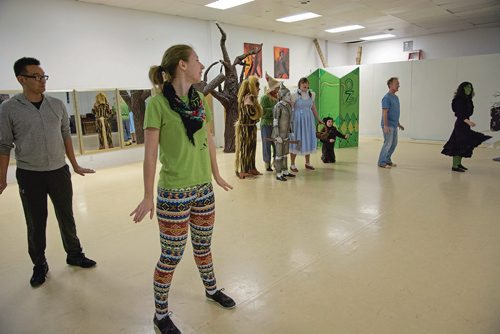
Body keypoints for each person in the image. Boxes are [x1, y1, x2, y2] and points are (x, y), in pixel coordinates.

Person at [130, 45, 235, 334]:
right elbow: (150, 154)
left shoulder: (200, 99)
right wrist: (148, 195)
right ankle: (160, 315)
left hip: (203, 190)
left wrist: (215, 174)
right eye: (197, 60)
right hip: (174, 193)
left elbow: (209, 140)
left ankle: (211, 290)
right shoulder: (157, 105)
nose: (201, 65)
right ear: (182, 65)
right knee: (172, 255)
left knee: (203, 247)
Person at [0, 57, 96, 288]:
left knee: (67, 216)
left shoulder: (56, 105)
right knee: (35, 222)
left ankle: (74, 253)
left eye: (44, 76)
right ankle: (39, 264)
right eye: (36, 76)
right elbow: (4, 145)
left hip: (58, 172)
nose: (42, 80)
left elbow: (65, 135)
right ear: (21, 79)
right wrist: (2, 179)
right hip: (30, 174)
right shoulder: (9, 109)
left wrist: (74, 164)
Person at [441, 82, 492, 172]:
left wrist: (468, 122)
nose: (469, 90)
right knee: (458, 145)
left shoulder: (467, 99)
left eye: (470, 88)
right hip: (461, 124)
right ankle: (455, 166)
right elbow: (459, 113)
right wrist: (468, 122)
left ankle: (458, 164)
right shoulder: (459, 99)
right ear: (462, 89)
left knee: (462, 145)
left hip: (465, 125)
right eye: (466, 88)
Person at [289, 77, 323, 172]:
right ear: (299, 85)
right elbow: (290, 109)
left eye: (306, 83)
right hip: (298, 121)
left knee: (308, 139)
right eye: (303, 83)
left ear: (308, 85)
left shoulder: (311, 95)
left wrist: (319, 119)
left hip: (308, 121)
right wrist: (290, 122)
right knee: (297, 140)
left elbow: (314, 109)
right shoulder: (294, 96)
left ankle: (307, 163)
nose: (305, 85)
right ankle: (292, 164)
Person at [235, 75, 263, 179]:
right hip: (245, 128)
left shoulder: (250, 97)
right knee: (246, 149)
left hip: (251, 128)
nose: (259, 89)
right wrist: (256, 108)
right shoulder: (248, 97)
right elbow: (251, 113)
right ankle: (243, 170)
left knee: (252, 148)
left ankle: (251, 168)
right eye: (257, 86)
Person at [378, 77, 405, 169]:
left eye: (398, 83)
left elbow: (395, 112)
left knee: (394, 143)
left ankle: (387, 160)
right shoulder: (386, 98)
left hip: (394, 125)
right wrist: (385, 125)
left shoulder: (396, 98)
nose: (398, 85)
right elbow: (385, 112)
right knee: (388, 143)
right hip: (388, 125)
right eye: (396, 83)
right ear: (390, 85)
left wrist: (398, 124)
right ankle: (381, 162)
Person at [272, 83, 296, 181]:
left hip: (286, 134)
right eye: (288, 95)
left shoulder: (288, 106)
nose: (290, 97)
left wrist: (291, 131)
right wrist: (277, 135)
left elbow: (290, 120)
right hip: (278, 135)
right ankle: (278, 173)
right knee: (279, 155)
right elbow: (275, 121)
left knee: (285, 153)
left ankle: (285, 171)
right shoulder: (278, 107)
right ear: (282, 96)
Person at [260, 73, 280, 171]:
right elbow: (261, 112)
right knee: (266, 144)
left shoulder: (277, 98)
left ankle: (276, 162)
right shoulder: (265, 98)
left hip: (275, 125)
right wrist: (274, 110)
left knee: (277, 144)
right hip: (266, 124)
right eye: (277, 87)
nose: (278, 89)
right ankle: (267, 163)